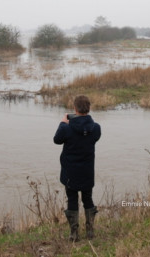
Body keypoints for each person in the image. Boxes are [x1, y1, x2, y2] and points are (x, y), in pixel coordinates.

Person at [53, 95, 101, 241]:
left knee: (72, 200)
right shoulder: (96, 128)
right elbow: (91, 135)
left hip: (70, 172)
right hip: (87, 171)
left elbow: (56, 140)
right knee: (88, 199)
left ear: (74, 109)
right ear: (89, 108)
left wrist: (63, 123)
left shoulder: (67, 129)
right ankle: (90, 231)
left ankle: (74, 234)